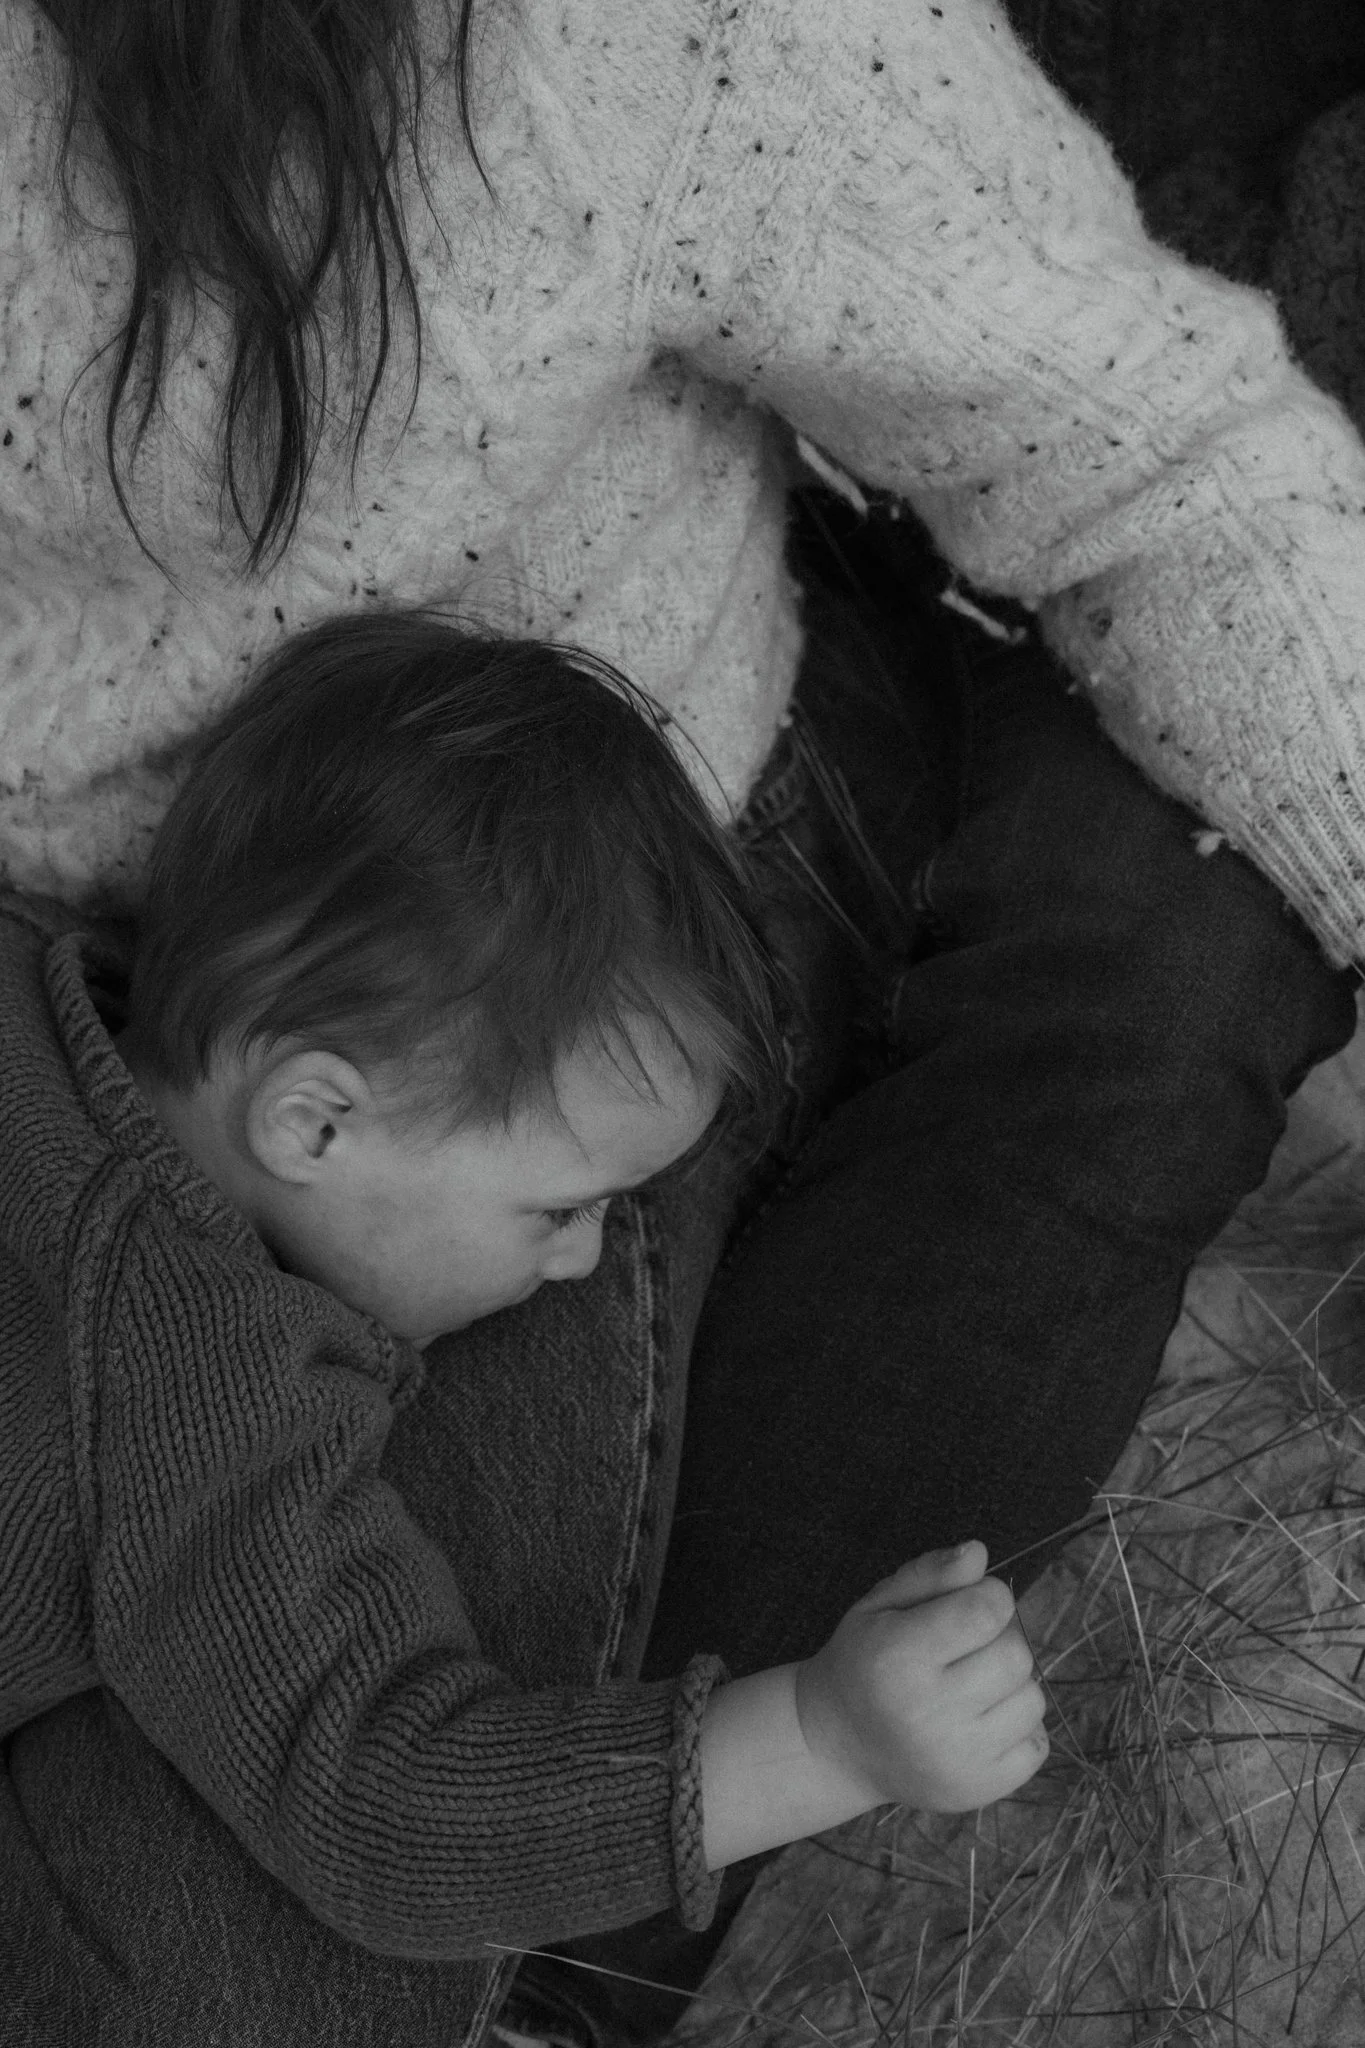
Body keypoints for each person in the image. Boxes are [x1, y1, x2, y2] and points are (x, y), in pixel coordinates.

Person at [1, 1, 1362, 2044]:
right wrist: (803, 1740)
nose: (586, 1251)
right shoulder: (201, 1369)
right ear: (307, 1130)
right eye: (566, 1209)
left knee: (1170, 956)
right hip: (313, 954)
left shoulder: (638, 42)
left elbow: (1144, 438)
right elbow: (379, 1786)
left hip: (577, 817)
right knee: (303, 1944)